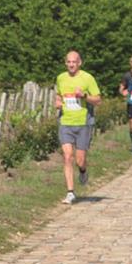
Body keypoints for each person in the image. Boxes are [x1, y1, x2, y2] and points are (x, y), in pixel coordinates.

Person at [55, 49, 102, 205]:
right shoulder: (61, 78)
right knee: (67, 156)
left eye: (74, 62)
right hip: (65, 122)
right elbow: (58, 94)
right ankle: (70, 192)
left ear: (79, 63)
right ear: (65, 63)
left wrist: (84, 96)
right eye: (68, 62)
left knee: (80, 160)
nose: (71, 65)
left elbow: (98, 100)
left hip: (83, 123)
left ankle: (83, 171)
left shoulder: (88, 78)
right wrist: (57, 102)